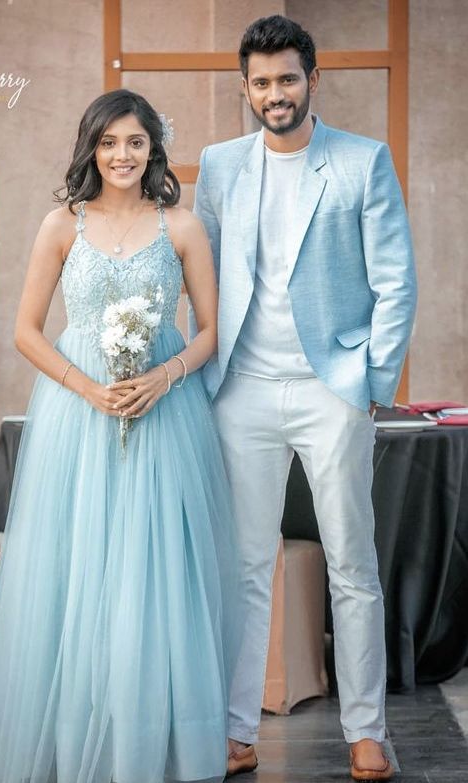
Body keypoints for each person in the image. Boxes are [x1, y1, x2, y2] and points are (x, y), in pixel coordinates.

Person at [0, 89, 240, 783]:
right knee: (76, 564)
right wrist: (86, 389)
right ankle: (72, 733)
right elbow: (26, 330)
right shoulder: (62, 224)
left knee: (155, 567)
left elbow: (211, 331)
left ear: (154, 150)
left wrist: (164, 375)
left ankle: (153, 739)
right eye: (110, 142)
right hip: (76, 416)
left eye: (136, 142)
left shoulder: (181, 226)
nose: (122, 155)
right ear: (91, 146)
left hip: (164, 414)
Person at [192, 15, 417, 782]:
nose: (273, 93)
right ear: (245, 87)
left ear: (311, 80)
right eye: (260, 82)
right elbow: (203, 280)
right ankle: (235, 729)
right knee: (245, 564)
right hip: (242, 388)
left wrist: (369, 384)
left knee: (352, 561)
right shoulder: (219, 166)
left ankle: (365, 731)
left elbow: (395, 280)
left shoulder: (360, 161)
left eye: (286, 78)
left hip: (332, 388)